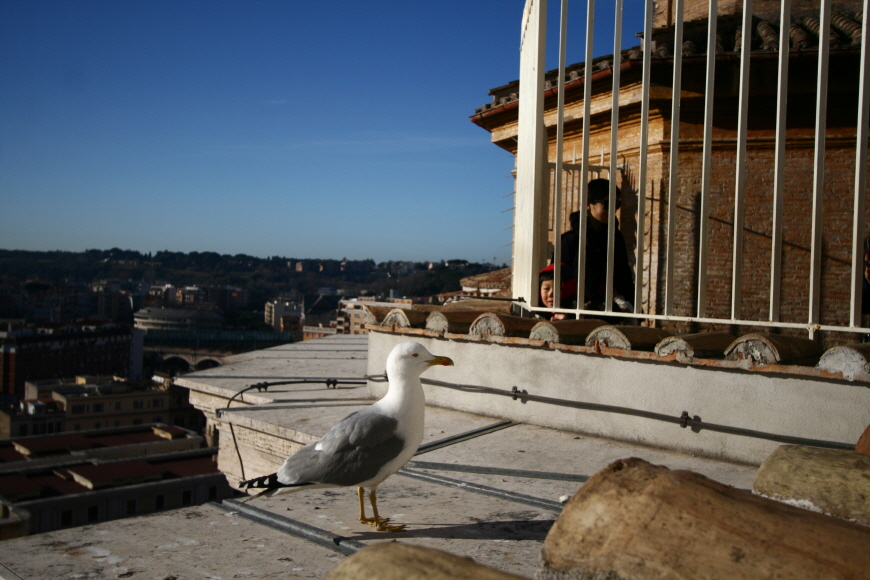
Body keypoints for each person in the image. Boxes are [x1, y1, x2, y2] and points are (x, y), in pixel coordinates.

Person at [559, 178, 635, 317]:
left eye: (617, 204)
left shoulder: (616, 238)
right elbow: (559, 280)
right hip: (577, 312)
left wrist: (632, 309)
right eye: (607, 203)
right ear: (589, 204)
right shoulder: (569, 240)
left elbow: (624, 276)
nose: (613, 209)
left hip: (611, 311)